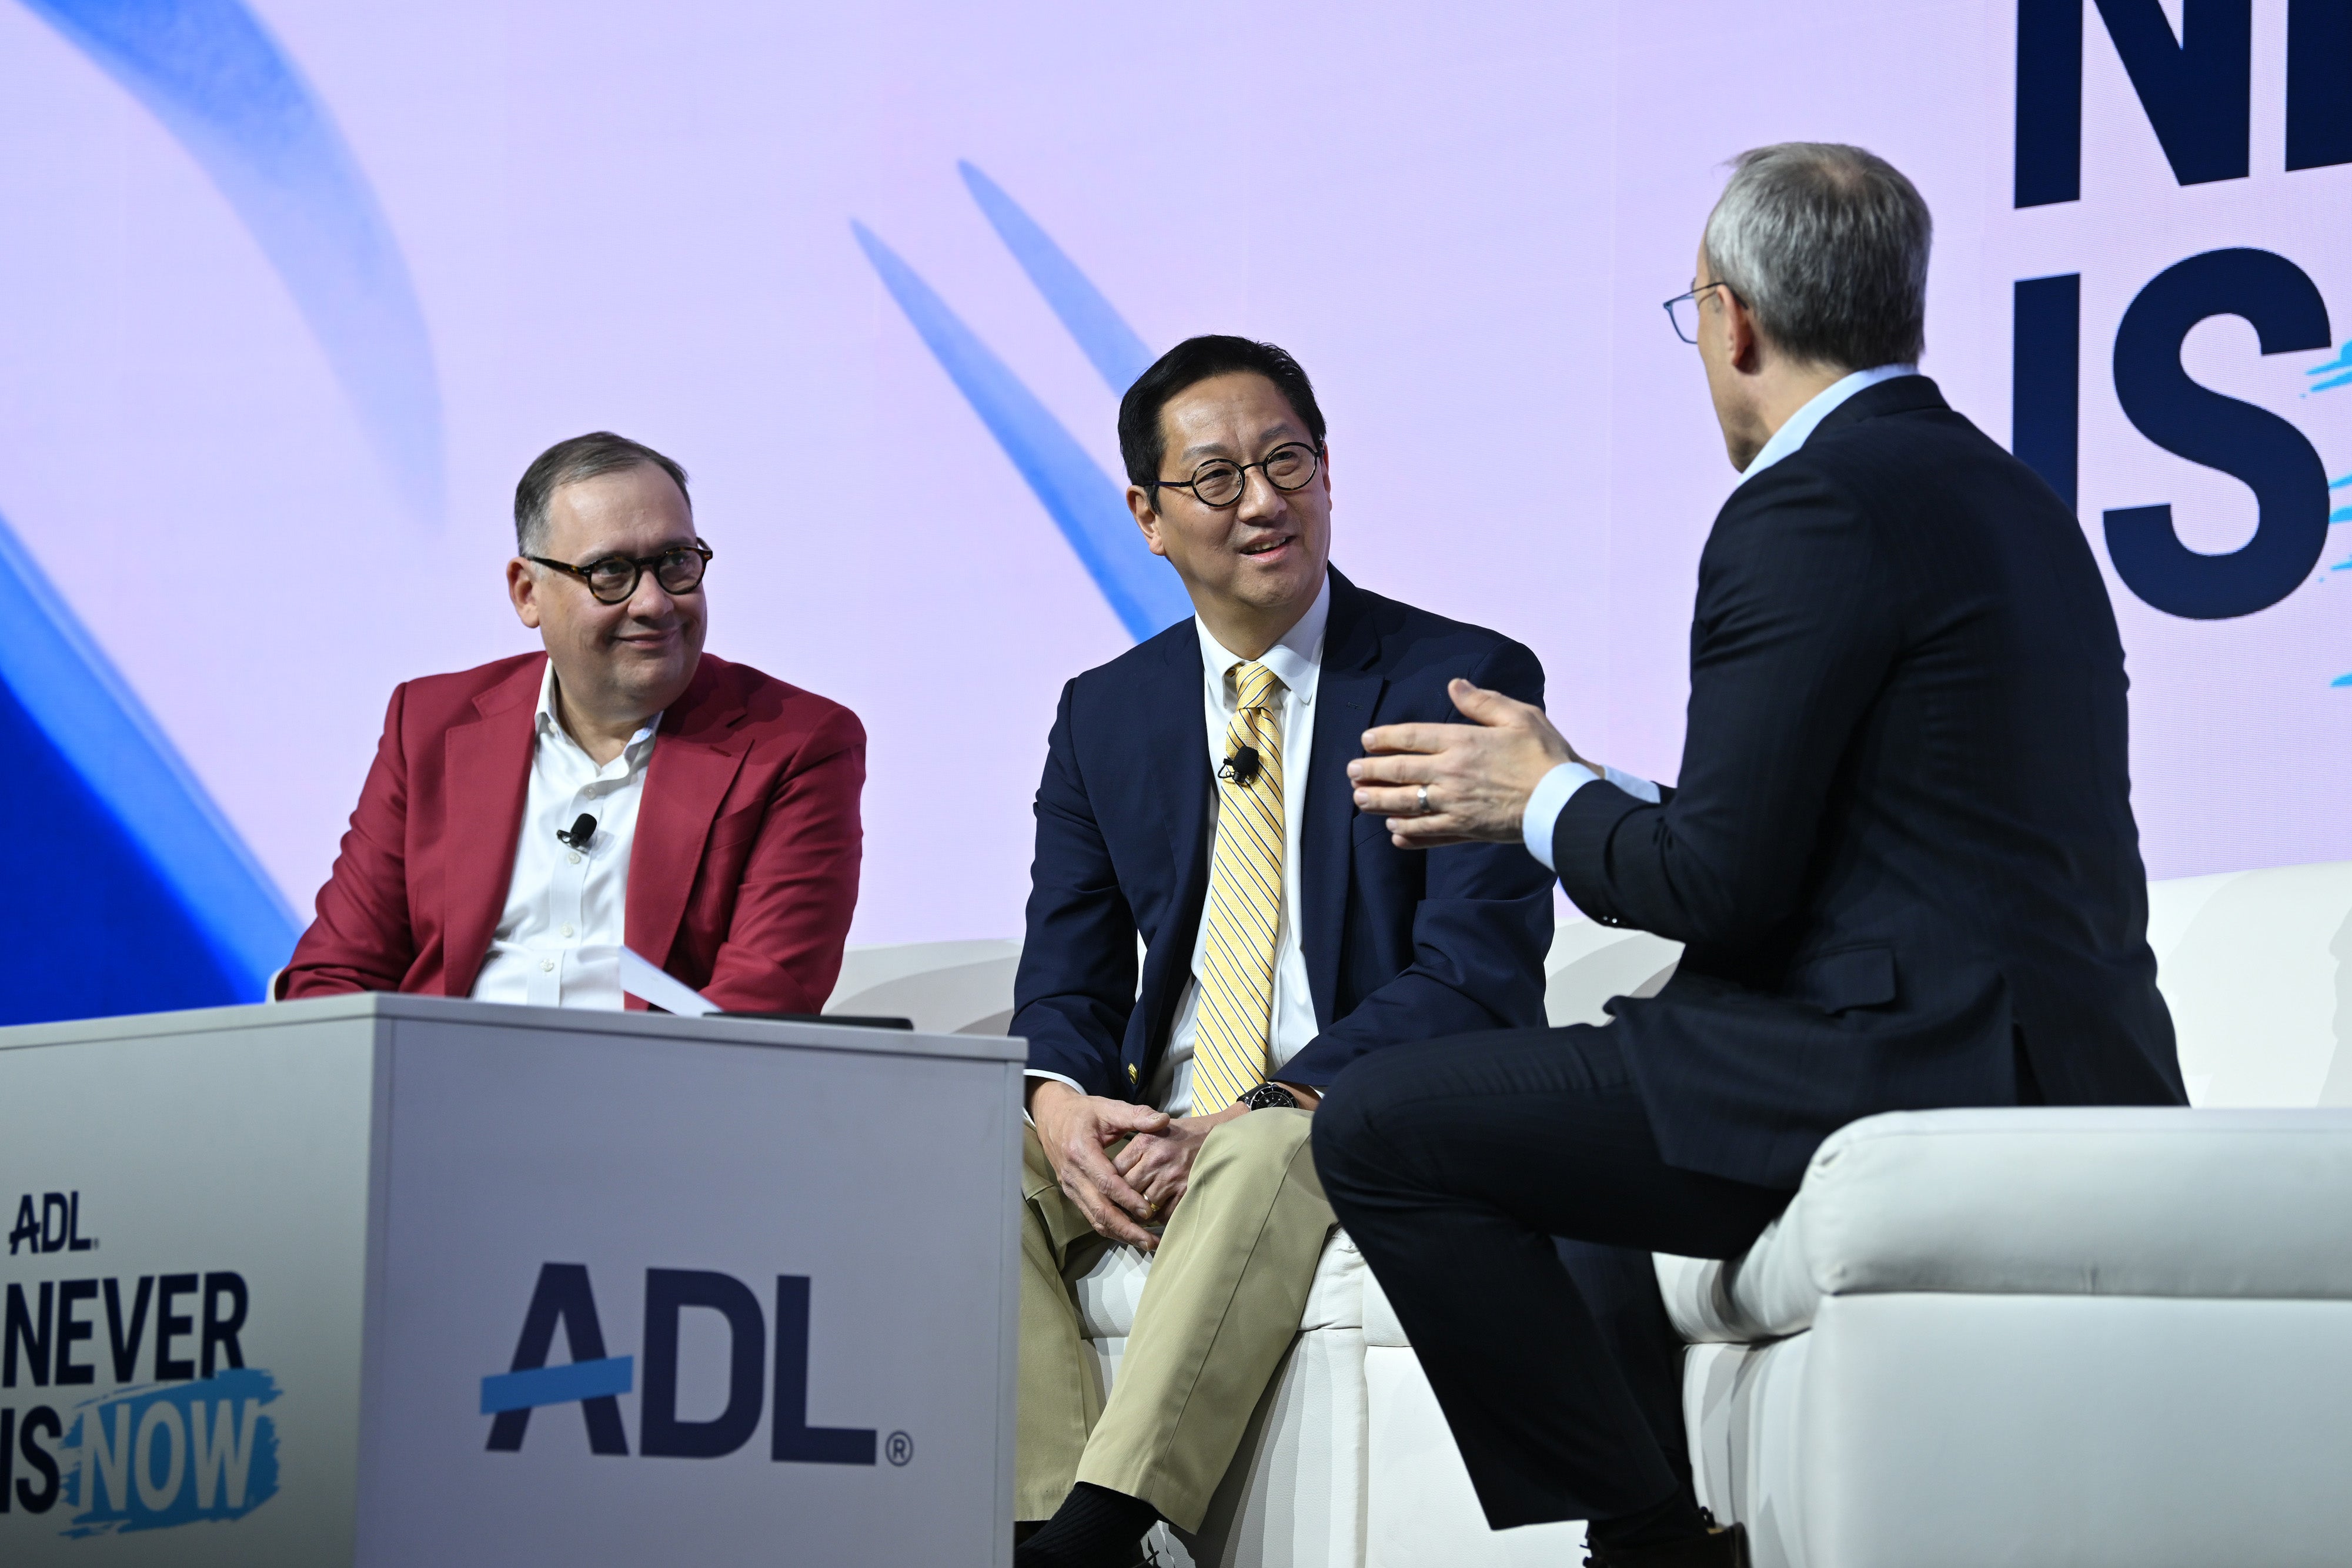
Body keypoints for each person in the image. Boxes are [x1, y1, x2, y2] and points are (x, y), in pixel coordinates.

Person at [1316, 144, 2186, 1567]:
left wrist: (1537, 803)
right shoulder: (2008, 496)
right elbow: (1869, 813)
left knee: (1380, 1130)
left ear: (1730, 320)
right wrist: (1588, 787)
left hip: (1900, 1057)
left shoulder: (1802, 505)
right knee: (1560, 1119)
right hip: (2057, 1048)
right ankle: (1645, 1531)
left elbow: (1722, 885)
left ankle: (1656, 1545)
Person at [1012, 337, 1556, 1568]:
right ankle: (1034, 1512)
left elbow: (1475, 974)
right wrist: (1059, 1103)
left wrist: (1257, 1100)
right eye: (1215, 479)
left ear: (1325, 473)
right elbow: (1066, 974)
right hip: (1169, 1106)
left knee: (1260, 1140)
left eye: (1286, 461)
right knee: (978, 1162)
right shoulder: (1106, 711)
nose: (1261, 500)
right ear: (1148, 517)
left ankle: (1103, 1530)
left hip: (1347, 1098)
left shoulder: (1452, 680)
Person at [281, 432, 864, 1013]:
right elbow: (335, 974)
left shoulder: (798, 744)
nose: (655, 603)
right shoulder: (429, 726)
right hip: (432, 1086)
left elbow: (761, 1001)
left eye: (675, 562)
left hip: (656, 1092)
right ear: (527, 593)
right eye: (609, 572)